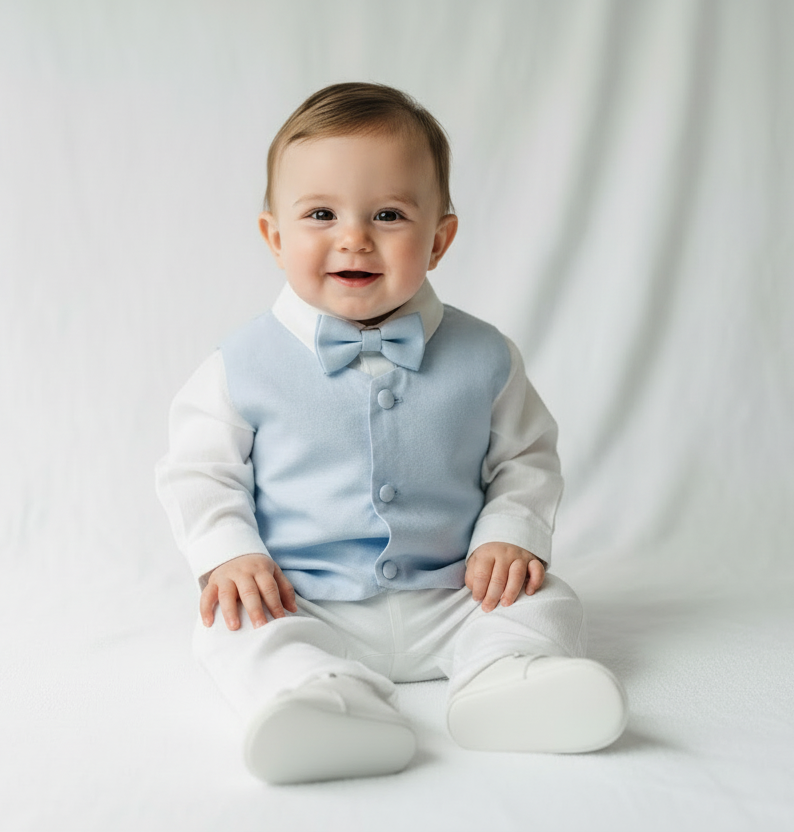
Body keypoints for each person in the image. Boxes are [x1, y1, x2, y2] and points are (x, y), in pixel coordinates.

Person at [155, 82, 626, 785]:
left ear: (438, 239)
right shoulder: (240, 365)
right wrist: (229, 555)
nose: (354, 237)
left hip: (456, 592)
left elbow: (525, 457)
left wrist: (512, 534)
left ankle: (506, 680)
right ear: (274, 237)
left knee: (544, 599)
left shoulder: (485, 355)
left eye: (388, 214)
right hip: (303, 597)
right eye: (320, 213)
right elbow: (200, 471)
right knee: (231, 626)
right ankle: (320, 700)